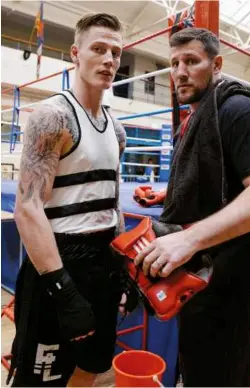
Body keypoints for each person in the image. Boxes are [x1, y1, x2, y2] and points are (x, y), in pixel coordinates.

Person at [135, 28, 250, 387]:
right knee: (200, 372)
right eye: (173, 63)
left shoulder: (240, 111)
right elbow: (217, 184)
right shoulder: (198, 116)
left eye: (191, 61)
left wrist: (188, 240)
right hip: (201, 279)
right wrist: (168, 197)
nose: (180, 72)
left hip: (232, 287)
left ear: (216, 64)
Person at [10, 12, 127, 387]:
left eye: (116, 52)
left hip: (103, 262)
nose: (108, 59)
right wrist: (62, 288)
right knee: (40, 379)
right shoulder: (52, 117)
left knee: (90, 367)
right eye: (98, 49)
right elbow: (27, 208)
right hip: (58, 262)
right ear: (76, 54)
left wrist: (122, 268)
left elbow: (113, 203)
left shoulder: (118, 129)